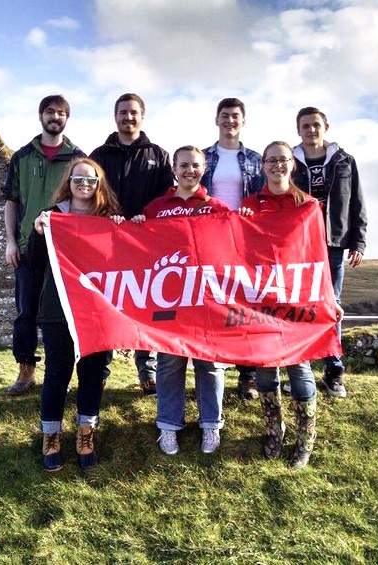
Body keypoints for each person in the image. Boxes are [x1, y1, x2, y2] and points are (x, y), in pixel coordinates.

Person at [237, 140, 344, 469]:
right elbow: (238, 251)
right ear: (264, 165)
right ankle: (275, 430)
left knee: (299, 369)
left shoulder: (308, 206)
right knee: (265, 369)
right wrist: (238, 221)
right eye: (271, 160)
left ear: (292, 165)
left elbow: (318, 258)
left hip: (297, 300)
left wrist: (329, 299)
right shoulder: (250, 204)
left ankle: (305, 440)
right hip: (261, 299)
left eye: (283, 160)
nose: (277, 165)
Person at [131, 146, 231, 455]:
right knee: (169, 363)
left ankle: (211, 425)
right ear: (174, 169)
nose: (190, 170)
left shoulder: (217, 207)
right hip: (169, 302)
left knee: (210, 364)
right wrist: (135, 225)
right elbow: (137, 248)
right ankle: (168, 426)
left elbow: (234, 248)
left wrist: (246, 219)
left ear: (204, 169)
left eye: (195, 165)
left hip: (207, 302)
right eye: (184, 165)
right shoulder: (156, 208)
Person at [28, 158, 124, 471]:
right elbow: (34, 261)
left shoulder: (108, 219)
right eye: (78, 178)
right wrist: (37, 233)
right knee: (57, 372)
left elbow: (124, 260)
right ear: (69, 181)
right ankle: (51, 437)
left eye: (91, 179)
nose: (85, 184)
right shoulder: (52, 216)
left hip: (98, 310)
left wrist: (128, 228)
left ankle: (86, 433)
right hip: (59, 308)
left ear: (100, 184)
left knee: (93, 372)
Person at [90, 93, 173, 396]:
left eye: (134, 112)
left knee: (146, 306)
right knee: (107, 305)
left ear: (142, 116)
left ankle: (147, 370)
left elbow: (166, 199)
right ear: (115, 116)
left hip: (146, 246)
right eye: (123, 112)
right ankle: (101, 369)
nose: (128, 117)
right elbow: (88, 194)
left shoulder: (160, 156)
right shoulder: (99, 154)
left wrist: (146, 218)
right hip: (107, 244)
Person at [1, 95, 85, 395]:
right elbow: (11, 201)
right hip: (27, 249)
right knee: (26, 312)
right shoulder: (22, 157)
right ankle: (26, 372)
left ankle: (60, 369)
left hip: (65, 252)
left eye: (61, 113)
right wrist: (11, 242)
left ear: (67, 118)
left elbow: (86, 201)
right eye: (50, 112)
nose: (55, 117)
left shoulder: (78, 157)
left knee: (64, 314)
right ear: (41, 116)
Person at [291, 107, 367, 398]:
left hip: (334, 243)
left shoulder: (345, 161)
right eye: (306, 126)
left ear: (326, 127)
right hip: (300, 245)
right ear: (298, 129)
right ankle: (302, 371)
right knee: (300, 305)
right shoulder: (290, 161)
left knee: (331, 305)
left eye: (316, 125)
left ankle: (334, 372)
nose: (311, 130)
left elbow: (357, 203)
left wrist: (358, 242)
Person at [198, 97, 265, 400]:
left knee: (245, 305)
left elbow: (263, 197)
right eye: (224, 116)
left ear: (243, 120)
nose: (230, 121)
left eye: (235, 116)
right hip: (212, 238)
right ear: (216, 120)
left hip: (246, 239)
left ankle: (247, 374)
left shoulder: (255, 158)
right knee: (213, 302)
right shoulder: (204, 156)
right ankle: (214, 366)